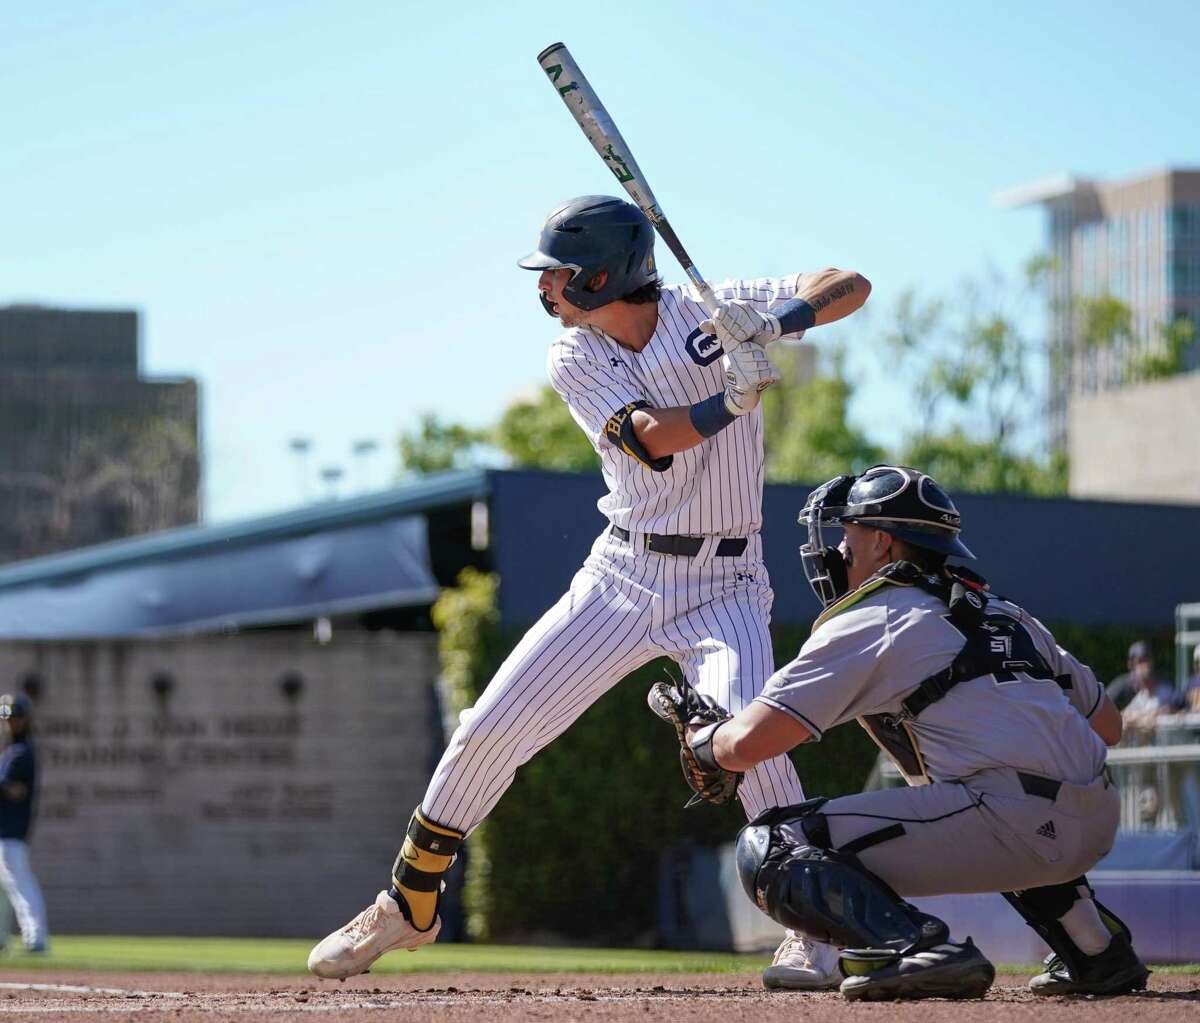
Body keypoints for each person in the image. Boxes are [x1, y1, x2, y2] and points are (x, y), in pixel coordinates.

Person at [308, 195, 871, 987]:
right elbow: (651, 442)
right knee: (489, 726)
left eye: (561, 276)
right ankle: (407, 903)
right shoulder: (573, 355)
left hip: (727, 581)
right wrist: (732, 399)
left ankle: (810, 926)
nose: (546, 292)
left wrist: (776, 321)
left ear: (606, 273)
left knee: (749, 735)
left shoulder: (718, 308)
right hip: (624, 575)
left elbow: (850, 282)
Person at [650, 465, 1149, 1001]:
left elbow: (749, 744)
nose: (839, 548)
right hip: (1096, 815)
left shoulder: (877, 615)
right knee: (995, 796)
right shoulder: (1005, 613)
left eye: (848, 533)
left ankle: (916, 947)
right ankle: (1096, 951)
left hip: (1014, 822)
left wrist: (705, 740)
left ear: (882, 542)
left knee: (771, 845)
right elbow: (1109, 726)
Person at [0, 694, 48, 953]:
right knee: (3, 889)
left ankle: (36, 938)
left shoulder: (23, 752)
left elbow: (13, 790)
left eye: (14, 717)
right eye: (6, 718)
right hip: (3, 830)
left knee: (20, 884)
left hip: (12, 830)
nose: (10, 723)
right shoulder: (9, 751)